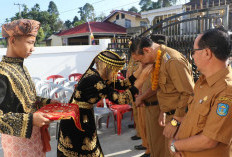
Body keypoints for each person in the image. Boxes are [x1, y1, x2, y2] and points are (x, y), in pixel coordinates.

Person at [57, 50, 153, 157]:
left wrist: (140, 70)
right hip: (77, 122)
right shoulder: (95, 81)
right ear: (106, 67)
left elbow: (121, 85)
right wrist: (142, 78)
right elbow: (121, 99)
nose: (116, 74)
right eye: (115, 70)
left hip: (82, 116)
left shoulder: (98, 74)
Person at [170, 28, 232, 157]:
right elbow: (190, 117)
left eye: (194, 51)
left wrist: (174, 145)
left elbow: (209, 140)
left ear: (207, 53)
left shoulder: (226, 90)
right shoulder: (203, 82)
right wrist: (178, 141)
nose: (192, 56)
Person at [129, 36, 194, 157]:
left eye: (141, 60)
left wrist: (175, 122)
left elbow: (188, 93)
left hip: (178, 120)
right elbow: (165, 90)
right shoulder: (159, 59)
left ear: (147, 50)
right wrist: (163, 111)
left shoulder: (172, 60)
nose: (141, 64)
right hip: (169, 116)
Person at [0, 19, 57, 157]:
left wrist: (48, 103)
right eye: (30, 43)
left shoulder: (22, 67)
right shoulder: (2, 73)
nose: (33, 48)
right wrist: (31, 120)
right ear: (13, 40)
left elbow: (28, 99)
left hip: (35, 136)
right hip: (18, 143)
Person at [135, 34, 167, 157]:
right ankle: (148, 150)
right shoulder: (152, 60)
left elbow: (156, 86)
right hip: (146, 102)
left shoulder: (164, 61)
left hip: (157, 105)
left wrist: (141, 97)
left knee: (159, 142)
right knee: (151, 138)